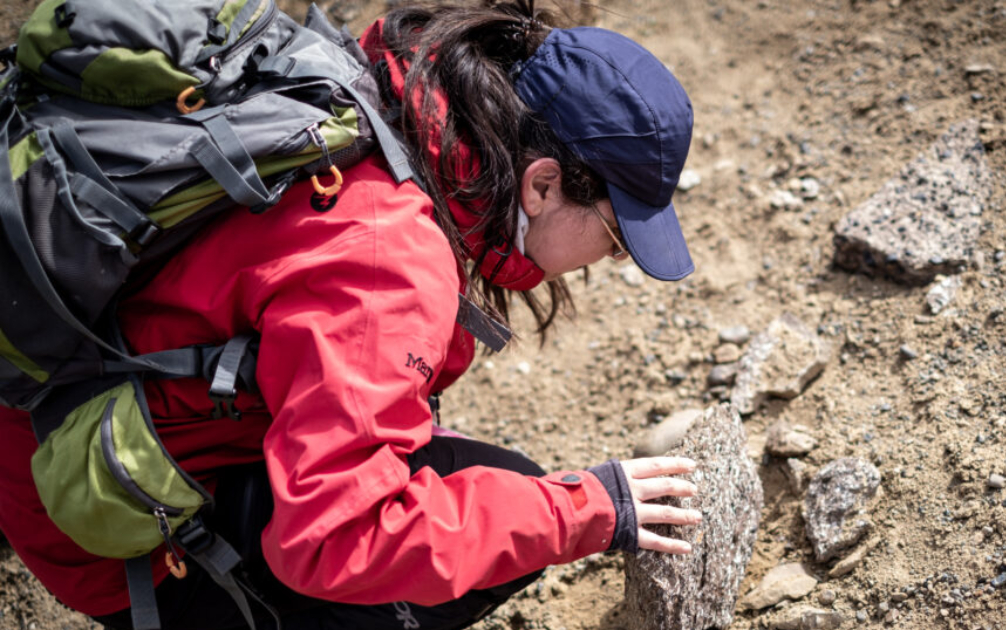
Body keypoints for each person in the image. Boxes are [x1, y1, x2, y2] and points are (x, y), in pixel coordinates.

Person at [0, 1, 700, 628]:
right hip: (91, 512)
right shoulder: (385, 264)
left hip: (63, 407)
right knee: (494, 533)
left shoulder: (381, 100)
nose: (611, 261)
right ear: (542, 184)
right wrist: (586, 512)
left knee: (490, 488)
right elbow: (336, 540)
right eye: (614, 236)